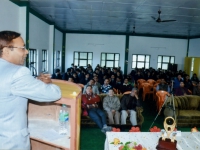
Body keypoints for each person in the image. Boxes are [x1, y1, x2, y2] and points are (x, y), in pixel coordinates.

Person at [0, 31, 61, 149]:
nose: (27, 52)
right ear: (7, 50)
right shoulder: (18, 72)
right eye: (22, 48)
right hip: (10, 143)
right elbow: (54, 94)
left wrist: (34, 81)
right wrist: (49, 83)